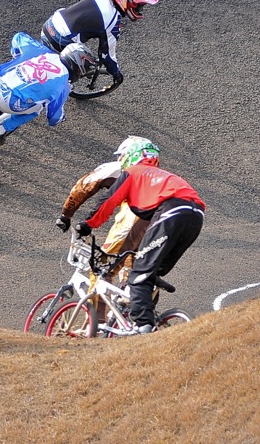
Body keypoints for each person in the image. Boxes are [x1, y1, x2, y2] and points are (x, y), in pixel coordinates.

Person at [75, 140, 205, 335]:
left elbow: (108, 201)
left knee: (139, 275)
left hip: (172, 213)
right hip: (196, 216)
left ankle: (144, 327)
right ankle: (146, 302)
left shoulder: (133, 173)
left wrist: (87, 225)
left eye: (122, 156)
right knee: (151, 269)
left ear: (130, 156)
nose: (121, 160)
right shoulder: (162, 177)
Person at [0, 32, 96, 147]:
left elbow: (18, 37)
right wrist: (60, 119)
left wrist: (16, 55)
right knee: (36, 109)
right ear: (78, 67)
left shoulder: (43, 52)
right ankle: (1, 130)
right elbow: (53, 117)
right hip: (12, 103)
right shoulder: (64, 86)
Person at [40, 0, 158, 86]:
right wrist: (116, 74)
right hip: (59, 41)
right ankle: (61, 85)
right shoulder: (113, 22)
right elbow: (106, 56)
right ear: (127, 2)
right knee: (84, 61)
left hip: (49, 25)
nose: (139, 10)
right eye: (138, 7)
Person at [55, 136, 153, 260]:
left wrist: (66, 215)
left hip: (135, 217)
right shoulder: (158, 175)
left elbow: (82, 189)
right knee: (132, 264)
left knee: (104, 262)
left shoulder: (115, 169)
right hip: (164, 221)